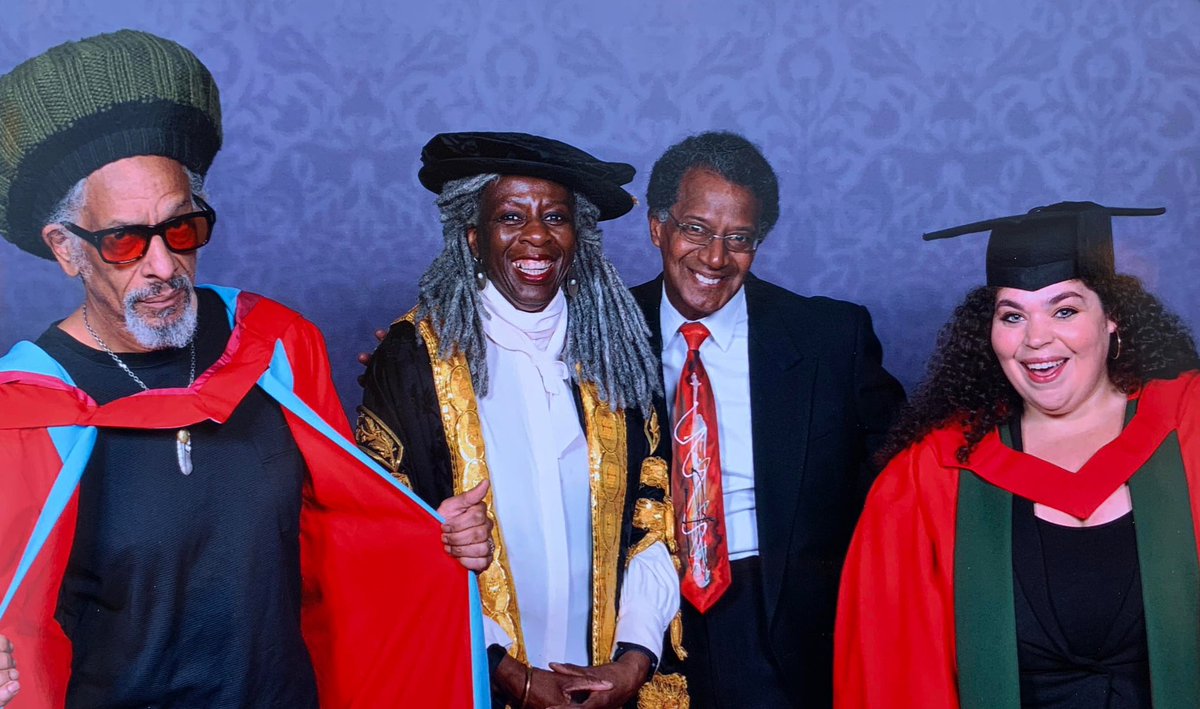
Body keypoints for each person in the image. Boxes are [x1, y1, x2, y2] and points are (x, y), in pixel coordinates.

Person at [0, 30, 492, 708]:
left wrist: (427, 534)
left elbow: (336, 534)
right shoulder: (20, 413)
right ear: (66, 249)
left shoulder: (279, 348)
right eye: (123, 242)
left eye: (181, 227)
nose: (164, 265)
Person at [356, 132, 687, 709]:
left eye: (555, 217)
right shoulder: (413, 359)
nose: (536, 236)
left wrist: (633, 661)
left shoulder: (618, 353)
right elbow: (388, 535)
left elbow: (654, 512)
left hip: (609, 678)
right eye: (511, 217)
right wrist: (508, 673)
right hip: (474, 678)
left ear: (578, 238)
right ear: (473, 237)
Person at [835, 201, 1200, 708]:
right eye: (1012, 315)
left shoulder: (1189, 430)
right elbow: (894, 676)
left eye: (1065, 309)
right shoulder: (931, 475)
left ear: (1112, 318)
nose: (1036, 339)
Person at [629, 131, 905, 707]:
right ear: (658, 227)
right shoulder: (601, 331)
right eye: (696, 229)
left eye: (739, 239)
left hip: (777, 617)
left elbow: (904, 478)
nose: (714, 258)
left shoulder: (830, 339)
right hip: (632, 614)